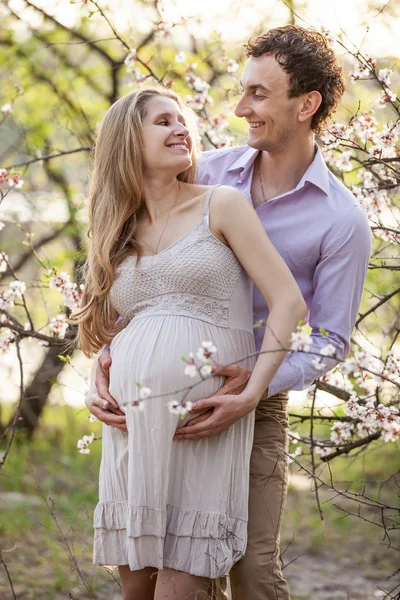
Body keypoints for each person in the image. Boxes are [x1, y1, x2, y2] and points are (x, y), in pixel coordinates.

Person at [86, 26, 372, 600]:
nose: (239, 109)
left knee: (251, 570)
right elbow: (147, 278)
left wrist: (253, 384)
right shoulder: (205, 170)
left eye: (259, 96)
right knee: (166, 563)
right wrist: (108, 354)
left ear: (306, 104)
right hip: (157, 401)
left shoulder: (342, 221)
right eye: (242, 92)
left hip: (255, 403)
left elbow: (331, 339)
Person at [72, 85, 306, 600]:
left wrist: (251, 393)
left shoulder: (220, 205)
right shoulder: (117, 227)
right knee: (136, 590)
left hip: (202, 424)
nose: (181, 128)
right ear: (125, 142)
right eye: (161, 121)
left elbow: (289, 303)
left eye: (182, 119)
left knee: (180, 588)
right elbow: (107, 329)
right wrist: (96, 378)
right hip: (133, 429)